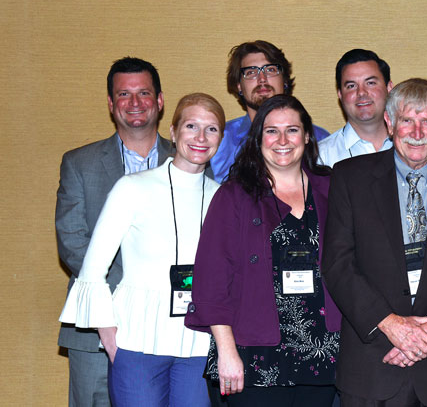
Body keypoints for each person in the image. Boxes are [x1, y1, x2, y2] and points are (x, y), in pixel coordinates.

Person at [322, 78, 427, 406]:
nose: (416, 132)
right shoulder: (349, 177)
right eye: (407, 120)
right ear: (390, 123)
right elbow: (337, 264)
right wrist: (391, 324)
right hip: (371, 363)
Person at [59, 93, 225, 406]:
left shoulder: (224, 198)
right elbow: (92, 271)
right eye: (191, 126)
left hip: (198, 345)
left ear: (220, 138)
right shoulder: (132, 188)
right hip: (137, 342)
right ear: (174, 132)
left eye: (211, 129)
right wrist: (113, 342)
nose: (201, 137)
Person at [185, 94, 342, 406]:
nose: (282, 140)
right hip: (254, 356)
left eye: (292, 130)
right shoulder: (234, 196)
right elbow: (212, 280)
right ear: (258, 139)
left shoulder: (333, 187)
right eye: (271, 131)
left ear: (307, 136)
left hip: (324, 354)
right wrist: (226, 351)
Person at [56, 57, 173, 406]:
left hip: (165, 325)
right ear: (111, 104)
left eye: (144, 93)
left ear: (160, 101)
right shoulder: (79, 163)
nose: (135, 103)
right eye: (124, 94)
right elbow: (72, 242)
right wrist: (122, 299)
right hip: (96, 326)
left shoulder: (189, 162)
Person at [210, 40, 329, 183]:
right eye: (251, 72)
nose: (262, 79)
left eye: (270, 70)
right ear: (239, 86)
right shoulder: (219, 139)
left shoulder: (321, 140)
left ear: (284, 80)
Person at [318, 48, 394, 167]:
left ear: (389, 88)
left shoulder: (415, 147)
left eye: (370, 83)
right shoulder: (321, 157)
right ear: (340, 94)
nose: (361, 92)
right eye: (351, 86)